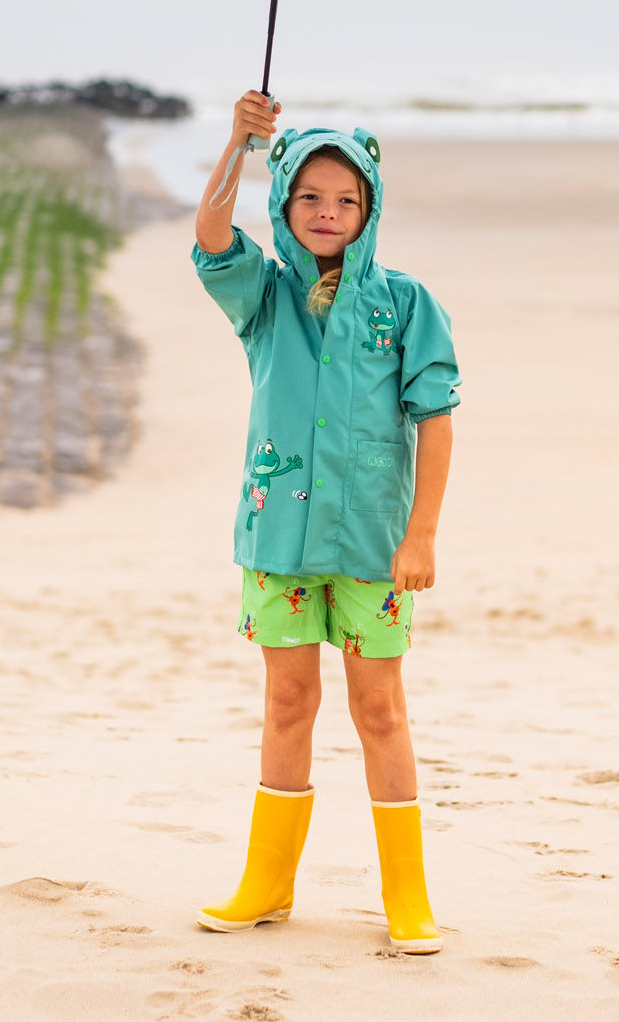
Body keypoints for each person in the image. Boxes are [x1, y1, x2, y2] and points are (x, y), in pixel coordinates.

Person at [189, 90, 460, 954]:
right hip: (277, 542)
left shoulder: (406, 302)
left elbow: (436, 419)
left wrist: (420, 534)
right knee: (287, 700)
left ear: (370, 208)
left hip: (373, 546)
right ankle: (267, 881)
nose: (328, 212)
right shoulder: (262, 297)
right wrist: (239, 140)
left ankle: (406, 895)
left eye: (346, 199)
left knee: (379, 709)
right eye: (309, 197)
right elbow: (209, 235)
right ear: (284, 205)